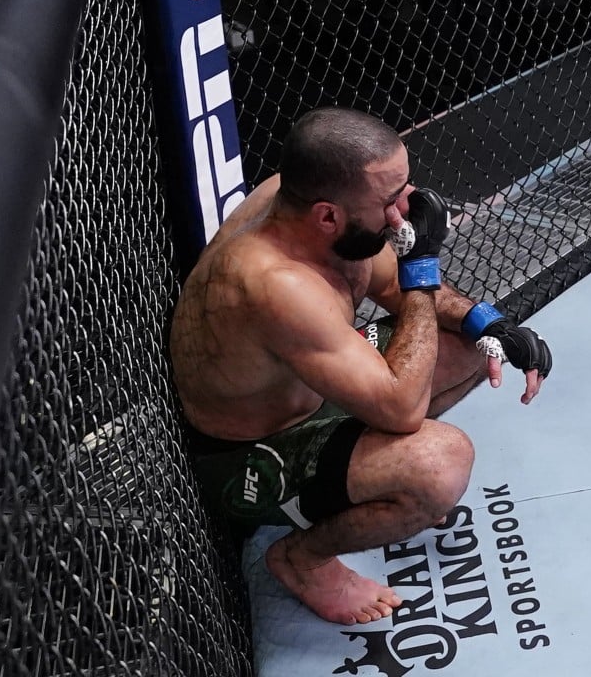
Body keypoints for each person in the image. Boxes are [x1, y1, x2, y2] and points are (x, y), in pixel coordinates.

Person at [169, 107, 551, 626]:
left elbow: (395, 287)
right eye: (391, 200)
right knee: (440, 465)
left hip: (314, 386)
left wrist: (493, 323)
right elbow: (402, 409)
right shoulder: (279, 283)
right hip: (255, 456)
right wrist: (422, 261)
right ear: (327, 216)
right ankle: (303, 558)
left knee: (473, 341)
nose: (406, 209)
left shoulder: (318, 207)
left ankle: (380, 482)